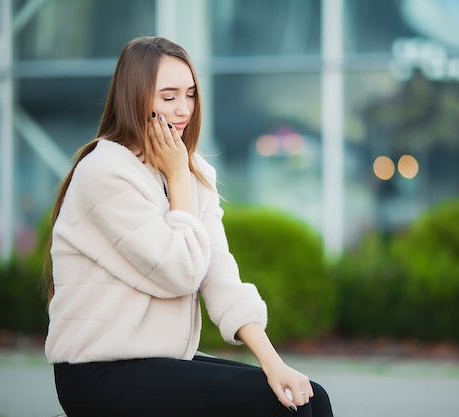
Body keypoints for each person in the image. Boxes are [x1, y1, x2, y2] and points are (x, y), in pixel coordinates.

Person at [43, 36, 334, 417]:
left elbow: (218, 273)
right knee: (271, 407)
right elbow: (179, 272)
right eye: (168, 97)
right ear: (135, 98)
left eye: (191, 95)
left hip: (159, 360)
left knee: (310, 396)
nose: (183, 110)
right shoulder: (105, 172)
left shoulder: (193, 173)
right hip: (98, 368)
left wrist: (274, 363)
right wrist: (178, 180)